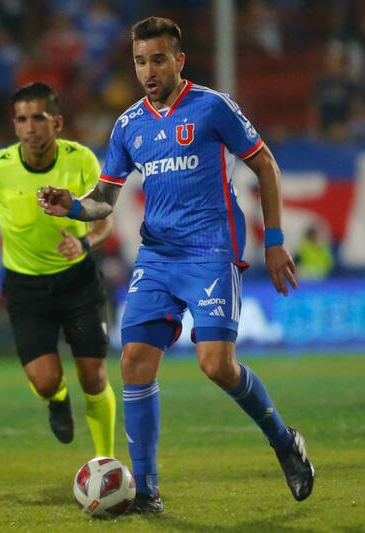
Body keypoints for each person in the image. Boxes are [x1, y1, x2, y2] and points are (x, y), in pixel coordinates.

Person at [38, 17, 314, 513]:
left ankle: (282, 440)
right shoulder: (129, 125)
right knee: (134, 363)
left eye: (158, 59)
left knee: (216, 365)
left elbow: (265, 163)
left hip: (210, 251)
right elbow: (106, 197)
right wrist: (72, 205)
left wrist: (274, 241)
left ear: (179, 60)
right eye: (141, 60)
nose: (148, 69)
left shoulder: (212, 107)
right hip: (158, 257)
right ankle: (146, 493)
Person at [0, 82, 117, 458]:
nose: (30, 127)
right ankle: (58, 399)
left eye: (38, 118)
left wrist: (83, 243)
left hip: (78, 283)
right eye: (21, 119)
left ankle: (106, 461)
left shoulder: (80, 160)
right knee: (47, 380)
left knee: (95, 377)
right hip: (26, 290)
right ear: (14, 126)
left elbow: (104, 217)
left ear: (58, 123)